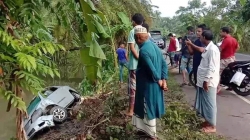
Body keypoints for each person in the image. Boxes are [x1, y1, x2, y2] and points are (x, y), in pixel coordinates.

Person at [132, 26, 168, 140]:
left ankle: (152, 135)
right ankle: (144, 131)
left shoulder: (143, 50)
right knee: (149, 107)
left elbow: (151, 68)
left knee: (147, 108)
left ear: (138, 38)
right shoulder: (154, 46)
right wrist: (164, 79)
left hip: (147, 85)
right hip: (155, 84)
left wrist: (158, 80)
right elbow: (164, 64)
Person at [186, 30, 220, 133]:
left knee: (210, 103)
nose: (200, 38)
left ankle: (212, 126)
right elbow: (200, 51)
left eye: (201, 36)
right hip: (203, 80)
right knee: (204, 102)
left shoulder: (213, 49)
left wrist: (206, 80)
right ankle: (207, 121)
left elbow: (212, 67)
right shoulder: (208, 48)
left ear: (204, 37)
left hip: (208, 81)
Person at [125, 13, 144, 116]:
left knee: (133, 87)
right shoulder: (145, 31)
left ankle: (131, 110)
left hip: (134, 64)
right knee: (141, 86)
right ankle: (140, 109)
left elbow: (132, 48)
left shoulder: (133, 31)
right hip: (143, 64)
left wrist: (139, 59)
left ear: (133, 21)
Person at [217, 27, 240, 92]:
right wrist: (232, 52)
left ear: (225, 32)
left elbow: (220, 49)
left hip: (226, 59)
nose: (220, 33)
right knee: (230, 72)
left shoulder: (226, 40)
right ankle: (231, 85)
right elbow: (238, 47)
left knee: (217, 72)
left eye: (221, 32)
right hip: (232, 58)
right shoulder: (234, 39)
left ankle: (218, 87)